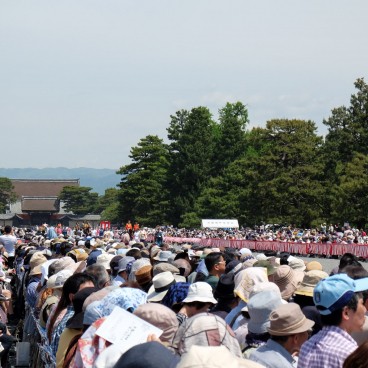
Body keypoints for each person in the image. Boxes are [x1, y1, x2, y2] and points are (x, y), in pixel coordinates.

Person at [298, 273, 368, 368]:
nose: (365, 310)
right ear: (346, 313)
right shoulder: (351, 355)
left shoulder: (306, 346)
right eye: (361, 303)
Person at [249, 303, 314, 368]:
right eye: (308, 332)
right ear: (296, 338)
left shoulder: (254, 354)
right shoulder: (284, 365)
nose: (308, 336)